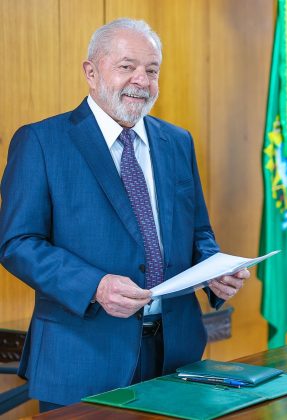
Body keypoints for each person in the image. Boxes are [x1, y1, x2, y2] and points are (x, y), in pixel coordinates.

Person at [0, 18, 250, 412]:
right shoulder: (42, 141)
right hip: (83, 357)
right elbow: (17, 243)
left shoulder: (177, 142)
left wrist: (214, 270)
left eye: (151, 70)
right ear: (91, 72)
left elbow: (198, 232)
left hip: (176, 353)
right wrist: (94, 285)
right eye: (126, 66)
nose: (141, 80)